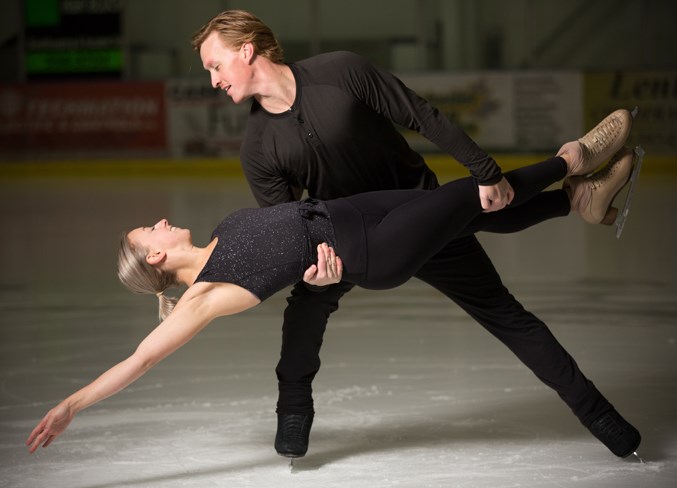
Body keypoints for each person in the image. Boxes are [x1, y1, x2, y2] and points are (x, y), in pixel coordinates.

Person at [190, 10, 641, 459]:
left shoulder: (340, 71)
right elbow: (287, 226)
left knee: (505, 312)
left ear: (246, 50)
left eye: (215, 65)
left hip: (420, 208)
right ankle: (293, 411)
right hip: (348, 240)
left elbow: (420, 115)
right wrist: (317, 274)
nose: (213, 80)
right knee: (304, 313)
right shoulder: (257, 148)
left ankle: (599, 414)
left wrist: (482, 169)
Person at [26, 146, 638, 456]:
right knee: (469, 198)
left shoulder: (222, 233)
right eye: (148, 232)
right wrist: (72, 404)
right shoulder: (203, 296)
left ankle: (572, 202)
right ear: (155, 259)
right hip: (372, 253)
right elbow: (141, 359)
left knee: (470, 215)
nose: (158, 222)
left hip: (357, 211)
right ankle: (571, 161)